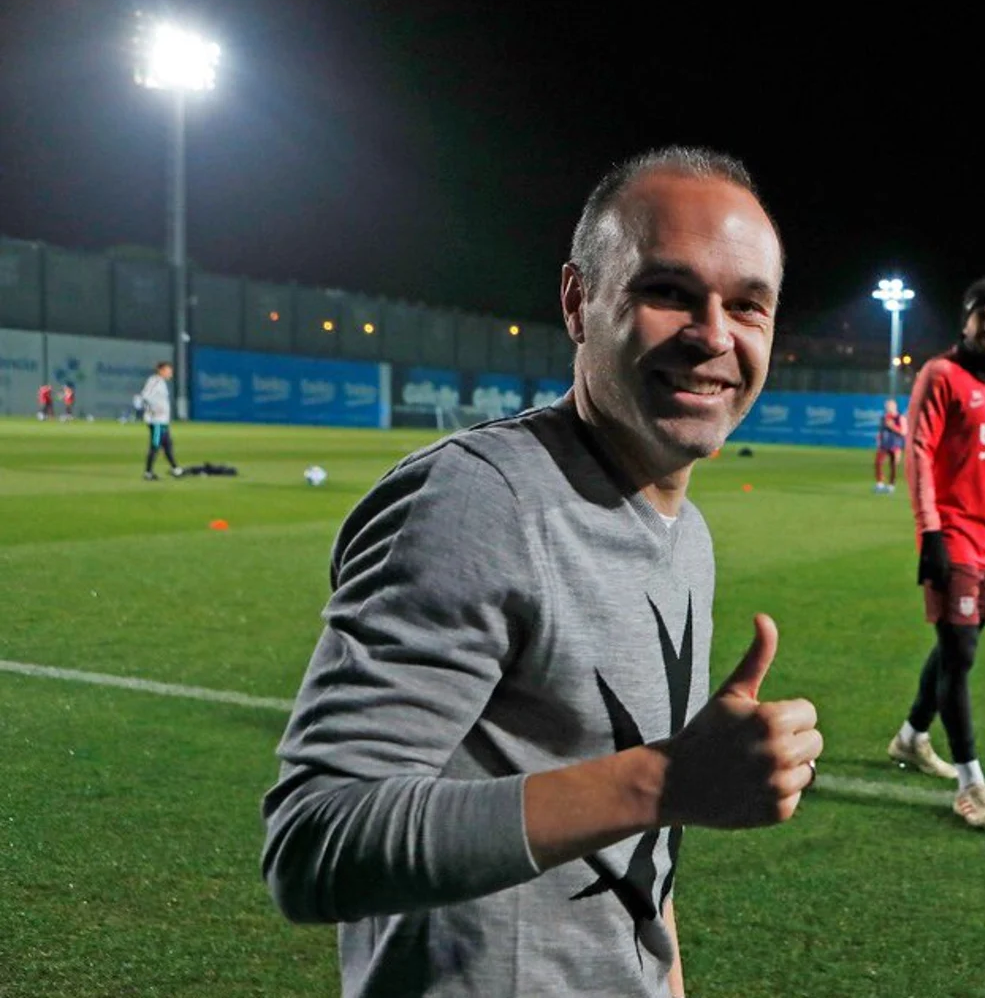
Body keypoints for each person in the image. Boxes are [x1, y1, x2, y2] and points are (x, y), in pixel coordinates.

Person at [262, 148, 822, 998]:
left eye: (747, 304)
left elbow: (644, 861)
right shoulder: (477, 502)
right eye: (668, 291)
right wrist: (667, 777)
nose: (715, 333)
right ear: (578, 301)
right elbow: (314, 843)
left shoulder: (686, 534)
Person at [886, 275, 985, 830]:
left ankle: (911, 738)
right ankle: (972, 785)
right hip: (955, 537)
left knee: (954, 649)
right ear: (964, 322)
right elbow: (917, 454)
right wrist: (932, 533)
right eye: (982, 314)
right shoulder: (941, 375)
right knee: (960, 652)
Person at [138, 363, 182, 480]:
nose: (170, 374)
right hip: (156, 421)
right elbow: (145, 396)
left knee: (167, 444)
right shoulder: (155, 381)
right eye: (168, 371)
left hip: (162, 421)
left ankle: (176, 469)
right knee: (156, 445)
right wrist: (154, 410)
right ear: (161, 370)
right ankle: (148, 473)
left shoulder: (161, 383)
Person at [873, 398, 907, 493]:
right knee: (878, 463)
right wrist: (879, 437)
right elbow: (881, 430)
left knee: (893, 465)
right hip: (884, 444)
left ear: (895, 406)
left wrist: (893, 426)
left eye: (890, 406)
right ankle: (879, 484)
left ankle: (891, 485)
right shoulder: (884, 418)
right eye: (887, 406)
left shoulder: (900, 418)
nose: (888, 408)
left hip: (895, 444)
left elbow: (904, 432)